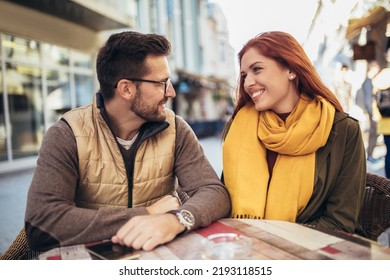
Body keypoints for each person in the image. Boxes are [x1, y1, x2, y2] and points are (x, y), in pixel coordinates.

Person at [24, 31, 231, 253]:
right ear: (126, 89)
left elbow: (214, 192)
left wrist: (176, 219)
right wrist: (148, 214)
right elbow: (42, 223)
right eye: (161, 83)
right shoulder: (67, 134)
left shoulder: (176, 129)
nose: (170, 92)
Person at [222, 31, 366, 235]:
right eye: (244, 75)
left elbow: (341, 221)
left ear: (291, 70)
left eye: (257, 69)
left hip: (312, 255)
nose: (247, 83)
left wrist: (274, 243)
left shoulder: (344, 131)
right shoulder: (238, 128)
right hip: (248, 248)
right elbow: (225, 201)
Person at [358, 60, 381, 162]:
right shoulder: (368, 82)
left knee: (374, 133)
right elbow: (368, 100)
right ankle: (369, 156)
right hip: (372, 112)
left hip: (372, 112)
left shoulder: (370, 81)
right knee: (372, 133)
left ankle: (369, 155)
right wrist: (372, 114)